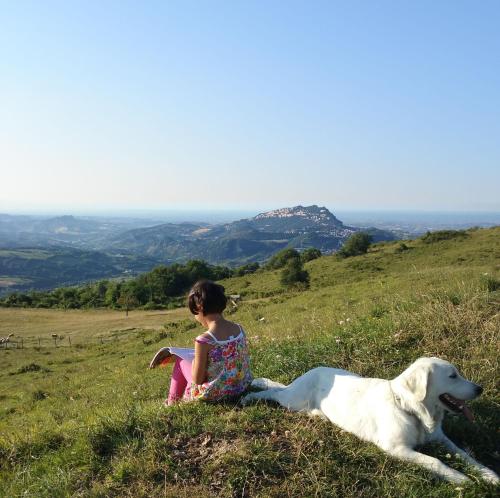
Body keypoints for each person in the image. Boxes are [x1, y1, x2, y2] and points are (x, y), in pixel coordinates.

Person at [166, 279, 253, 405]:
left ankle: (171, 403)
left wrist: (195, 360)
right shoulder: (239, 329)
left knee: (180, 361)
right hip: (240, 387)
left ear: (199, 307)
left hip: (215, 394)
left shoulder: (204, 340)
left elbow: (197, 379)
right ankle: (174, 401)